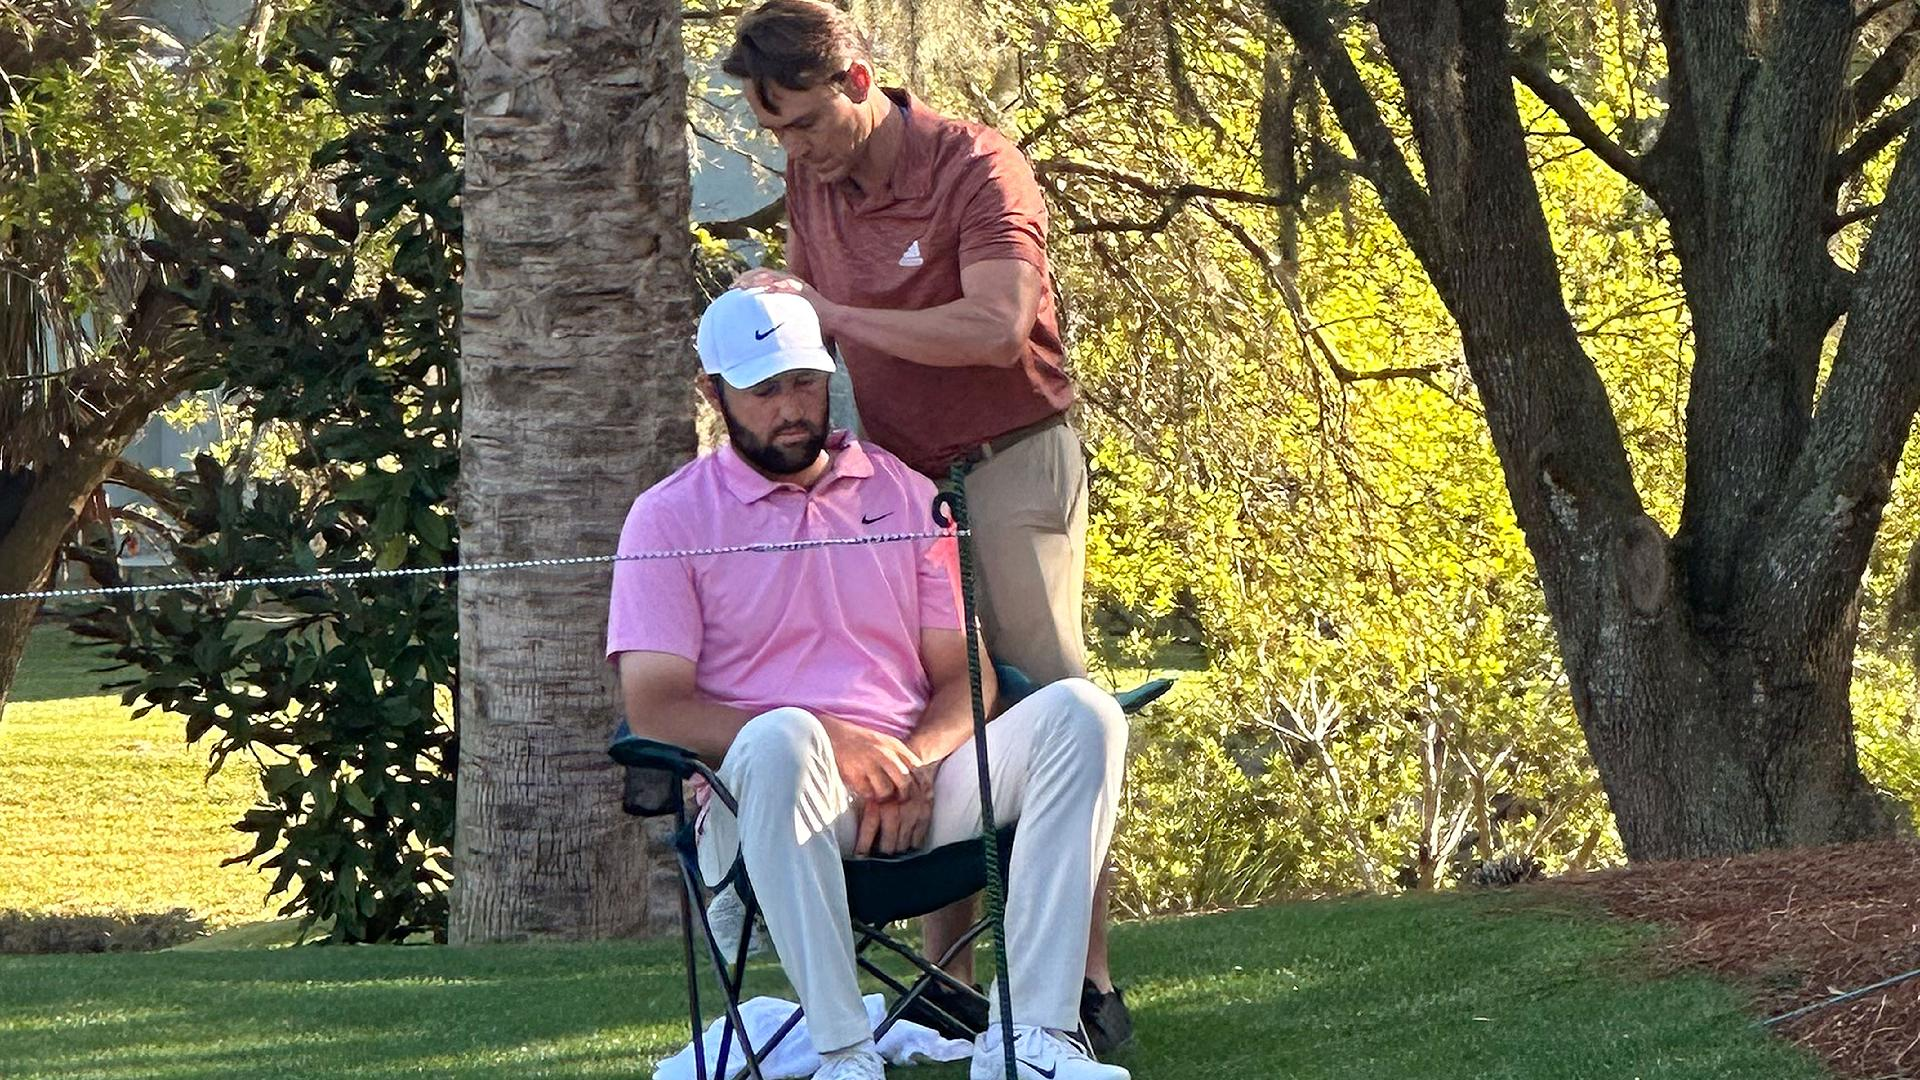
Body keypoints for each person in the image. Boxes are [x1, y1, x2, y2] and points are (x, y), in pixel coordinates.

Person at [721, 1, 1132, 1051]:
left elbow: (998, 329)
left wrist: (831, 314)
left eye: (803, 123)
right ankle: (949, 979)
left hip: (1010, 457)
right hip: (902, 477)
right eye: (775, 133)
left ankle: (1085, 986)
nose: (793, 151)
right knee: (930, 696)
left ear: (858, 82)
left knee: (1052, 699)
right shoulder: (814, 179)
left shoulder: (977, 168)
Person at [608, 287, 1129, 1080]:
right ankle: (845, 1053)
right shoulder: (666, 518)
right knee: (784, 736)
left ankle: (1035, 1040)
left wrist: (914, 760)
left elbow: (969, 678)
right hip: (765, 802)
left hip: (915, 788)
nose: (791, 408)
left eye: (805, 382)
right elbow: (657, 707)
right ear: (715, 393)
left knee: (1084, 715)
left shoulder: (906, 494)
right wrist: (835, 740)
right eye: (764, 389)